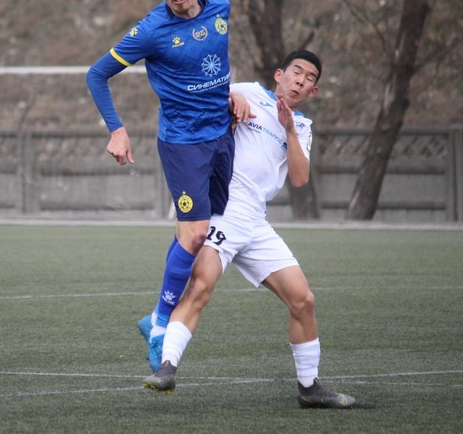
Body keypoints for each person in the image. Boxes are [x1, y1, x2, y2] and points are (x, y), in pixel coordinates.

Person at [142, 50, 357, 409]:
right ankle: (166, 368)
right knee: (200, 286)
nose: (300, 81)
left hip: (256, 223)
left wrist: (289, 129)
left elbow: (300, 179)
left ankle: (309, 388)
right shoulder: (249, 92)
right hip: (221, 210)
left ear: (313, 91)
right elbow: (203, 95)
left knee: (303, 300)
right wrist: (231, 96)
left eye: (309, 79)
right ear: (279, 74)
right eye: (296, 72)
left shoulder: (302, 127)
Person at [86, 0, 251, 370]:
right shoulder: (151, 31)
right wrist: (116, 130)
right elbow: (96, 74)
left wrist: (230, 93)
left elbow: (214, 63)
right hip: (183, 144)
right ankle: (160, 324)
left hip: (222, 138)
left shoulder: (220, 7)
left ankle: (156, 317)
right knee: (195, 235)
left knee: (194, 231)